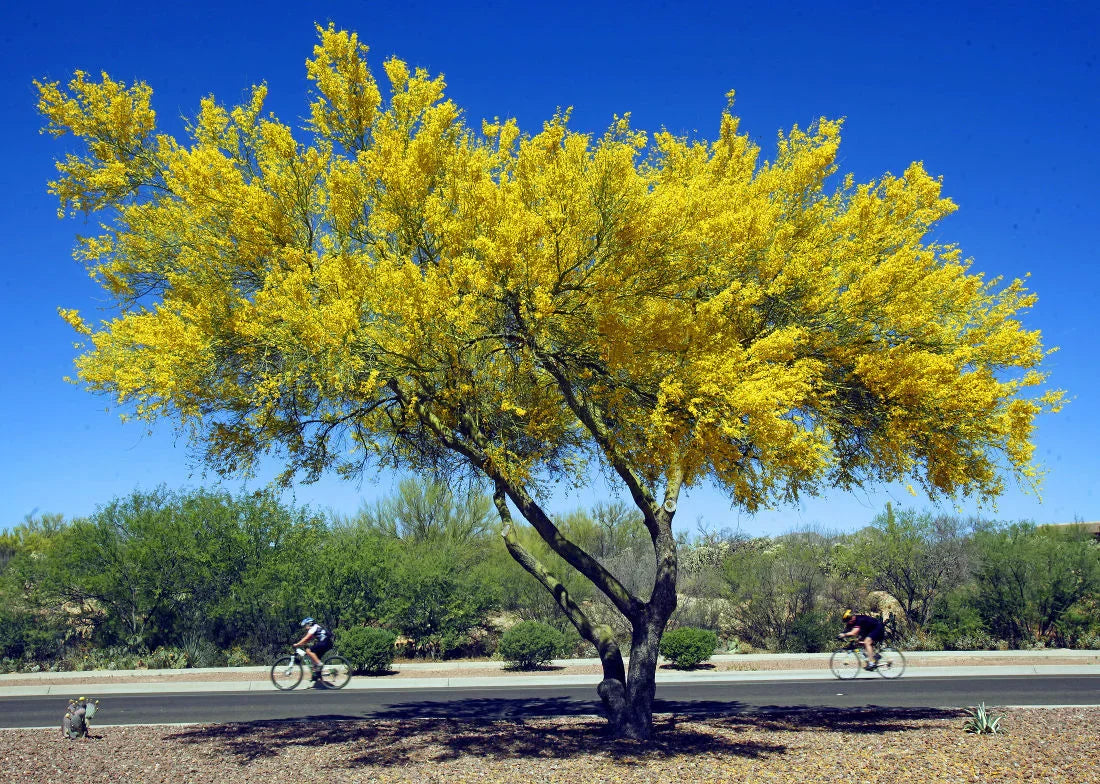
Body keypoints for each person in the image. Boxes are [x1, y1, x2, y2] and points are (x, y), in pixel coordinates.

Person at [293, 617, 333, 682]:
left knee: (309, 651)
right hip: (327, 643)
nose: (305, 627)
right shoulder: (316, 627)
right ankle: (316, 676)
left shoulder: (313, 628)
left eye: (306, 625)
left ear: (309, 624)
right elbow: (308, 639)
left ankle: (320, 665)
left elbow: (306, 638)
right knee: (314, 657)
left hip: (324, 642)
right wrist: (303, 644)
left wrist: (297, 644)